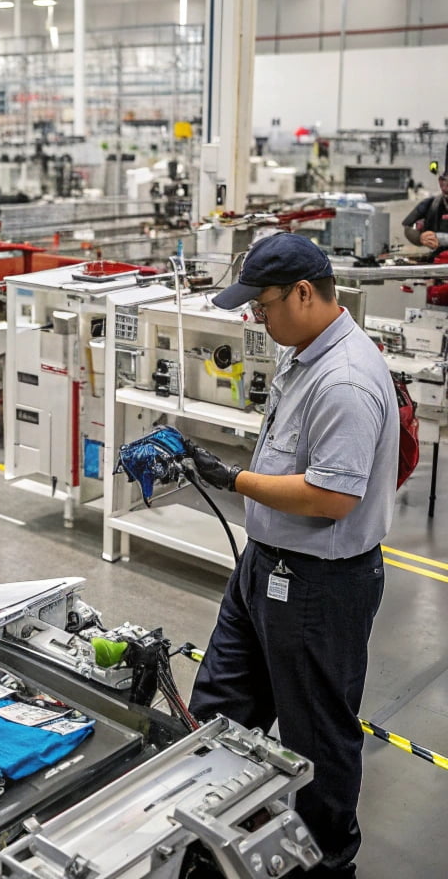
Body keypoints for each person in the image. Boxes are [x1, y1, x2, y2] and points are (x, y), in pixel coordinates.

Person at [185, 232, 397, 879]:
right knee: (220, 706)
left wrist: (231, 479)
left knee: (316, 736)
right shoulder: (302, 351)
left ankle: (327, 861)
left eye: (264, 305)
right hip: (266, 565)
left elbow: (332, 497)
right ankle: (203, 828)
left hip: (317, 584)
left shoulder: (345, 379)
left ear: (305, 293)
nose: (258, 318)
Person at [401, 172, 448, 255]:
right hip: (439, 257)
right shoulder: (431, 204)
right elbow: (411, 226)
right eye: (444, 180)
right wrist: (421, 236)